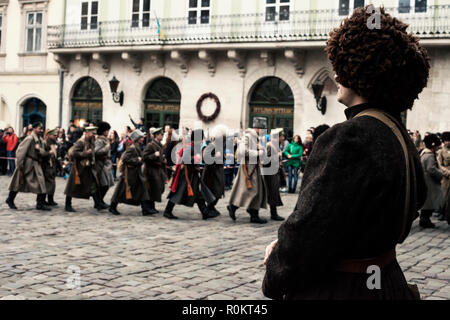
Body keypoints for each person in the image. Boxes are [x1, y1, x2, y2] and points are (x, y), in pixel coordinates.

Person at [263, 6, 430, 300]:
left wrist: (277, 266)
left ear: (360, 70)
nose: (336, 71)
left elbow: (309, 233)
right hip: (387, 281)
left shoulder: (350, 136)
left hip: (342, 288)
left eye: (341, 62)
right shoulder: (397, 133)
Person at [163, 129, 217, 220]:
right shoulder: (190, 147)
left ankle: (205, 212)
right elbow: (185, 159)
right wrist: (196, 158)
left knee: (198, 194)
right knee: (178, 192)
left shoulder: (193, 147)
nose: (202, 141)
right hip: (186, 175)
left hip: (192, 174)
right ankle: (167, 211)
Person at [227, 118, 268, 224]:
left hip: (255, 168)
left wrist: (261, 151)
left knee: (254, 191)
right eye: (263, 128)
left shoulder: (256, 138)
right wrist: (258, 152)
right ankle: (236, 207)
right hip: (248, 169)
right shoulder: (248, 136)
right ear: (257, 128)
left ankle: (252, 212)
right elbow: (242, 151)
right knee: (251, 191)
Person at [5, 122, 51, 211]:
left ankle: (40, 204)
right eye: (39, 128)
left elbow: (41, 151)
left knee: (41, 182)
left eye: (41, 129)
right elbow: (20, 152)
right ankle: (10, 199)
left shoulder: (39, 139)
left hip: (36, 164)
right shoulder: (30, 138)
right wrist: (19, 165)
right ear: (34, 129)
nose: (41, 130)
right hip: (27, 164)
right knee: (18, 183)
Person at [109, 129, 152, 216]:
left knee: (142, 189)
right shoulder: (132, 148)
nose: (143, 138)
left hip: (136, 173)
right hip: (129, 174)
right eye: (141, 137)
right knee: (121, 191)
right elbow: (125, 159)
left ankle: (145, 209)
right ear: (137, 138)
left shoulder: (138, 146)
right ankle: (112, 207)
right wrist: (137, 160)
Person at [64, 126, 106, 212]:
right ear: (87, 133)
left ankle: (98, 204)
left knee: (93, 185)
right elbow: (74, 153)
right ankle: (67, 205)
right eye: (92, 133)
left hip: (88, 167)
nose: (94, 135)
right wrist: (86, 153)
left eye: (94, 133)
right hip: (79, 168)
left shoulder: (91, 141)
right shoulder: (81, 142)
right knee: (72, 187)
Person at [201, 125, 227, 217]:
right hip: (211, 173)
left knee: (219, 191)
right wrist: (216, 157)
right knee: (214, 191)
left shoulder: (219, 146)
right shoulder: (211, 146)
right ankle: (209, 207)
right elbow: (205, 158)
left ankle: (211, 207)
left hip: (218, 171)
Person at [419, 134, 443, 228]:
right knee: (429, 202)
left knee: (427, 202)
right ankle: (425, 220)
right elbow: (431, 169)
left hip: (426, 181)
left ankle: (424, 219)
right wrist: (440, 174)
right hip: (430, 182)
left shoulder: (425, 154)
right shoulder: (429, 156)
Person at [143, 127, 167, 215]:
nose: (162, 136)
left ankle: (151, 206)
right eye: (161, 134)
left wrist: (163, 159)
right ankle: (148, 207)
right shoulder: (150, 145)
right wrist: (154, 155)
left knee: (157, 188)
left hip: (158, 169)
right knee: (151, 189)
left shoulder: (159, 144)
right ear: (157, 135)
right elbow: (144, 157)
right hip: (151, 170)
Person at [263, 128, 285, 221]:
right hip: (269, 174)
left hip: (274, 172)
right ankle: (234, 206)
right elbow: (265, 161)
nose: (283, 138)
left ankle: (274, 213)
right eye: (282, 136)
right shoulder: (270, 146)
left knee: (273, 193)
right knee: (271, 193)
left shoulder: (275, 146)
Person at [95, 122, 115, 207]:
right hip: (101, 164)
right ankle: (98, 202)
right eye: (107, 130)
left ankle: (100, 201)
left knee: (107, 184)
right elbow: (96, 152)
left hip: (106, 164)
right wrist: (106, 148)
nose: (108, 132)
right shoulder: (99, 140)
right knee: (104, 184)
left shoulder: (105, 139)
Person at [42, 128, 59, 206]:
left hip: (53, 165)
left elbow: (56, 156)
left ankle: (50, 199)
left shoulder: (54, 143)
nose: (56, 136)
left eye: (56, 135)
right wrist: (49, 153)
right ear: (49, 135)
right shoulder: (45, 143)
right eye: (54, 135)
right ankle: (43, 200)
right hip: (47, 165)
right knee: (48, 184)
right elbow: (42, 154)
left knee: (52, 184)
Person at [437, 132, 450, 224]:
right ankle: (442, 212)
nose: (448, 142)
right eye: (446, 141)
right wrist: (447, 172)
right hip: (446, 176)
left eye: (449, 140)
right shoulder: (441, 151)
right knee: (445, 195)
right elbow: (439, 164)